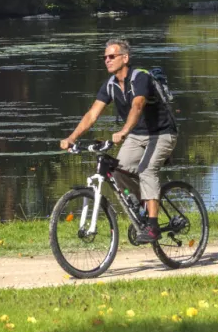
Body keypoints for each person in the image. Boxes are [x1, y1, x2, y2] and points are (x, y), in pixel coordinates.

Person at [59, 38, 177, 243]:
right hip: (137, 135)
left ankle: (153, 225)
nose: (107, 60)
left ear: (125, 57)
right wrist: (72, 137)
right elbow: (92, 114)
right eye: (105, 57)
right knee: (116, 170)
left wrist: (123, 131)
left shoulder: (140, 78)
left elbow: (137, 106)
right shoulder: (110, 85)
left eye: (112, 56)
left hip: (162, 133)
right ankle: (145, 206)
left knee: (147, 170)